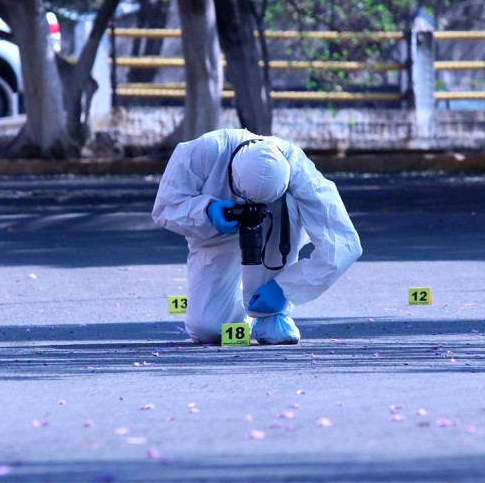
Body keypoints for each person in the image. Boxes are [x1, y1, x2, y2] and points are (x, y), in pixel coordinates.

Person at [152, 129, 362, 345]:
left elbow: (343, 243)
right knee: (209, 329)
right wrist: (206, 210)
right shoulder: (203, 151)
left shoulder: (299, 167)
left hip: (275, 229)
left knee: (288, 206)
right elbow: (165, 207)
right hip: (216, 233)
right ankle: (244, 311)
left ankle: (268, 314)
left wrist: (286, 287)